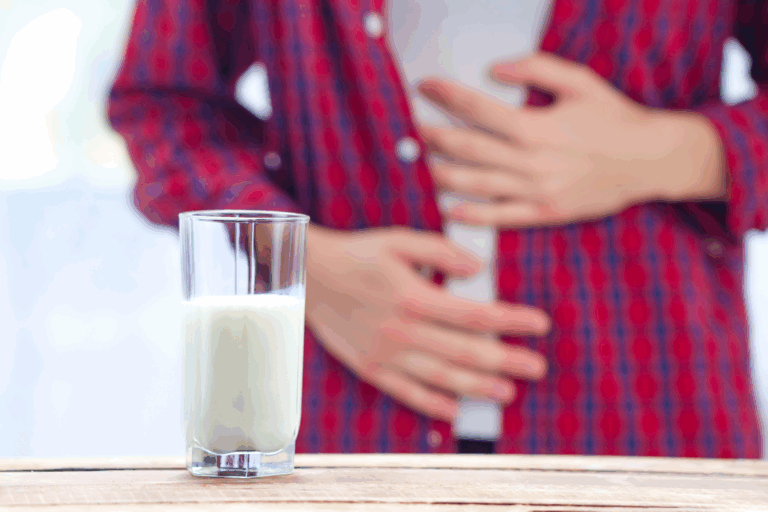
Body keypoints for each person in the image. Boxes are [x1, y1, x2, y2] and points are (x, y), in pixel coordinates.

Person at [108, 0, 767, 458]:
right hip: (351, 422)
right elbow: (163, 103)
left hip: (650, 412)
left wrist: (667, 153)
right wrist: (302, 265)